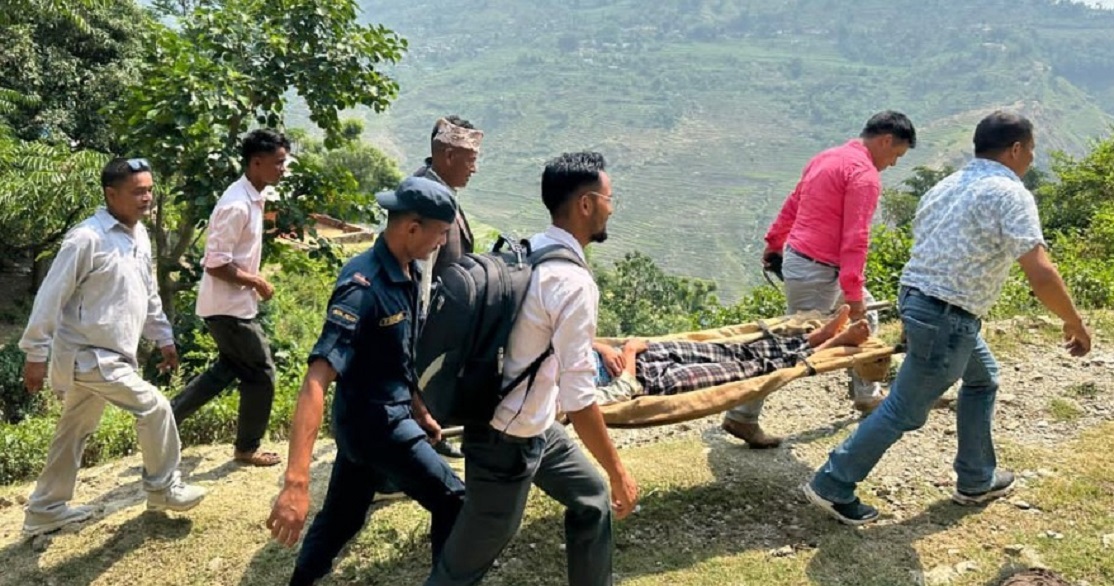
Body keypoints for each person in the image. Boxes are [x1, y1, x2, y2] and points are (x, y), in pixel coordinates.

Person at [803, 111, 1092, 526]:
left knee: (983, 378)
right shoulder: (1010, 193)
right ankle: (832, 483)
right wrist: (1074, 321)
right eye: (1030, 149)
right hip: (947, 314)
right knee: (905, 409)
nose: (1031, 157)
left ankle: (976, 478)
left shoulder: (948, 185)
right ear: (1014, 150)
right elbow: (1041, 271)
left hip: (925, 302)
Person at [425, 152, 639, 586]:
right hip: (505, 444)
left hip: (535, 427)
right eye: (609, 198)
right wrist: (620, 473)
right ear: (585, 204)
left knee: (591, 498)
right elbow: (580, 401)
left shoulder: (530, 249)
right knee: (460, 570)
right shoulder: (574, 284)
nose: (612, 207)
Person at [266, 177, 466, 586]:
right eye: (440, 234)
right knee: (454, 500)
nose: (442, 244)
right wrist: (295, 482)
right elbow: (316, 380)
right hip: (377, 427)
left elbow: (393, 358)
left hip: (372, 423)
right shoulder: (363, 287)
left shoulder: (405, 271)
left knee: (342, 517)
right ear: (412, 228)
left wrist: (419, 409)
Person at [18, 157, 207, 536]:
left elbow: (147, 292)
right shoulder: (85, 239)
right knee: (154, 406)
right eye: (138, 191)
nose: (147, 198)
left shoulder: (139, 236)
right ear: (111, 194)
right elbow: (50, 297)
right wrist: (35, 354)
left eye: (150, 190)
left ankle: (44, 509)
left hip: (112, 354)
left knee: (73, 432)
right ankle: (162, 488)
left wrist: (163, 336)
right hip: (87, 354)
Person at [723, 110, 918, 449]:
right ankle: (742, 415)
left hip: (804, 262)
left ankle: (867, 394)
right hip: (819, 272)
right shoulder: (863, 175)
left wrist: (774, 242)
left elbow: (794, 202)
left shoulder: (827, 158)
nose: (894, 163)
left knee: (868, 314)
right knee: (796, 346)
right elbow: (855, 240)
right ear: (886, 140)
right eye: (896, 154)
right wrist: (852, 294)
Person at [171, 129, 289, 467]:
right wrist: (256, 281)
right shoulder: (236, 204)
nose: (283, 169)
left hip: (229, 307)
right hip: (228, 309)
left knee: (226, 369)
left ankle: (163, 419)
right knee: (262, 373)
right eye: (278, 163)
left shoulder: (254, 195)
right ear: (257, 162)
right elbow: (215, 263)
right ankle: (247, 448)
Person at [592, 306, 871, 404]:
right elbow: (619, 393)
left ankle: (811, 338)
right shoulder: (553, 398)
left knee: (735, 349)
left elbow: (576, 340)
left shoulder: (548, 347)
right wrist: (628, 352)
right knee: (749, 370)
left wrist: (603, 347)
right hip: (649, 381)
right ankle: (825, 348)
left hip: (640, 353)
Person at [413, 115, 483, 460]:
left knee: (436, 385)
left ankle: (434, 439)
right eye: (470, 160)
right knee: (421, 384)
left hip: (444, 315)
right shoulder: (426, 194)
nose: (475, 168)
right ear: (449, 157)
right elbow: (418, 265)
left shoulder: (440, 188)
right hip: (427, 316)